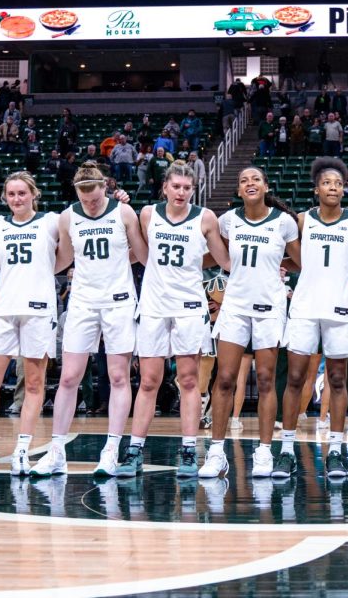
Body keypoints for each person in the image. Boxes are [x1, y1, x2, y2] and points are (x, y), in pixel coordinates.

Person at [31, 162, 147, 477]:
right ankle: (56, 452)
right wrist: (34, 267)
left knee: (118, 376)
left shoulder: (124, 213)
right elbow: (65, 256)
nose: (89, 202)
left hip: (119, 301)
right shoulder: (68, 216)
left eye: (94, 196)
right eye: (83, 196)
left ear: (104, 187)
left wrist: (122, 255)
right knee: (68, 377)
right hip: (82, 301)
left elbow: (141, 254)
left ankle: (111, 450)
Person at [118, 162, 230, 478]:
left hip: (190, 307)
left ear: (192, 190)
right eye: (176, 186)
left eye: (186, 187)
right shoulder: (147, 214)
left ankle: (188, 450)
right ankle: (134, 451)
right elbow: (136, 252)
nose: (181, 192)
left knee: (190, 380)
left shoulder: (205, 218)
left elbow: (223, 260)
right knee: (149, 381)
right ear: (165, 187)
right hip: (154, 306)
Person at [278, 158, 348, 479]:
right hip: (306, 307)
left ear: (344, 188)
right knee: (295, 379)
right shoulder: (301, 221)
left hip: (339, 308)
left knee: (338, 380)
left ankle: (336, 449)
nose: (333, 187)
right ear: (316, 189)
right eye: (327, 182)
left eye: (338, 183)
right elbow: (292, 259)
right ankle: (285, 450)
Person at [200, 167, 301, 479]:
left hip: (270, 306)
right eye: (243, 180)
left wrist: (278, 266)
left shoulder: (284, 222)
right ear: (239, 191)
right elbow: (215, 255)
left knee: (267, 380)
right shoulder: (228, 220)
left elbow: (300, 262)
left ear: (265, 186)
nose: (249, 183)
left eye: (255, 178)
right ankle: (216, 452)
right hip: (236, 305)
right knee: (225, 378)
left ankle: (264, 452)